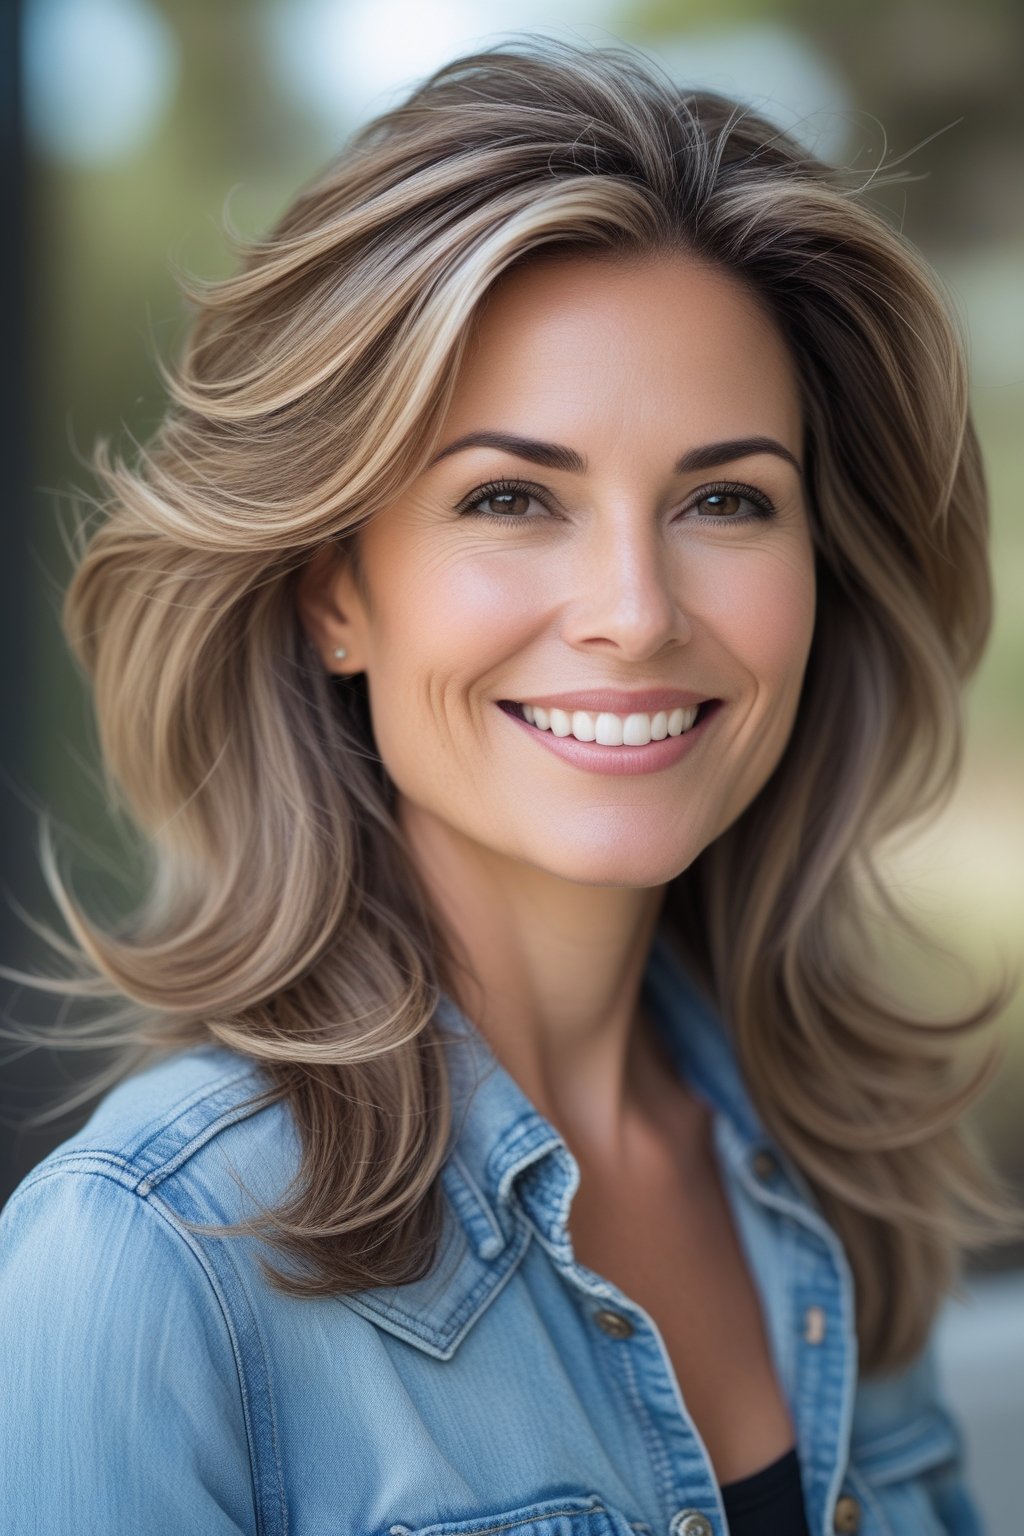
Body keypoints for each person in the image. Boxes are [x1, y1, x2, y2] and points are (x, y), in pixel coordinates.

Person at [0, 34, 1019, 1536]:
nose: (638, 613)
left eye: (725, 499)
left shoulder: (839, 1180)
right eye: (511, 497)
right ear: (333, 592)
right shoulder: (146, 1261)